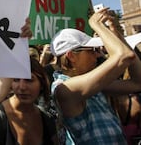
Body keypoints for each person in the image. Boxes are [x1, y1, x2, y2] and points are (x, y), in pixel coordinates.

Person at [50, 7, 141, 144]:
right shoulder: (64, 89)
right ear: (71, 56)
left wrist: (115, 32)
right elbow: (124, 56)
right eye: (92, 50)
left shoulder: (93, 85)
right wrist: (96, 24)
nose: (98, 55)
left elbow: (137, 82)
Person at [0, 57, 58, 145]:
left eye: (29, 80)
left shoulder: (46, 118)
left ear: (41, 84)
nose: (22, 87)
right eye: (16, 80)